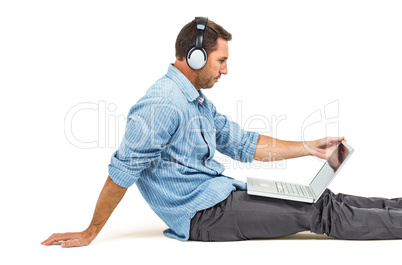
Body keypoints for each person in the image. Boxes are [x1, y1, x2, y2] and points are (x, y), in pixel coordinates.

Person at [42, 17, 402, 248]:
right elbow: (121, 174)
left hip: (220, 196)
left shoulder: (194, 101)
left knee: (325, 199)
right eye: (221, 61)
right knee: (320, 212)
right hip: (205, 215)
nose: (225, 71)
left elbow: (244, 143)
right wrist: (91, 231)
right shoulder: (162, 104)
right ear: (195, 58)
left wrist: (307, 147)